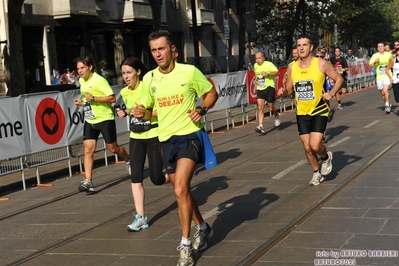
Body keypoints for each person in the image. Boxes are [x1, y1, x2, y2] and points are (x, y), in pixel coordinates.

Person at [133, 30, 218, 266]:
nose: (158, 54)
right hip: (165, 139)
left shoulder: (189, 72)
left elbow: (211, 93)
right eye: (154, 50)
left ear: (172, 50)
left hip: (189, 135)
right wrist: (143, 112)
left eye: (161, 48)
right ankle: (203, 226)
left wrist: (201, 109)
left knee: (180, 189)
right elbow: (150, 112)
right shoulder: (150, 78)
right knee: (181, 191)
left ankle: (185, 245)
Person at [278, 34, 344, 186]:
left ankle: (326, 157)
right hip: (301, 111)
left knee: (315, 145)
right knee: (307, 147)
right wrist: (284, 92)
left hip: (319, 109)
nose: (301, 48)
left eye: (304, 45)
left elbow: (339, 79)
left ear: (311, 47)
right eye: (298, 45)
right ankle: (316, 172)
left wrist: (332, 93)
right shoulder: (291, 67)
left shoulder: (321, 64)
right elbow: (289, 90)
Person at [116, 57, 170, 231]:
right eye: (123, 73)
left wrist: (145, 114)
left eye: (129, 72)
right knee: (136, 176)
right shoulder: (124, 92)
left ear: (138, 72)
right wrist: (125, 112)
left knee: (157, 178)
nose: (126, 76)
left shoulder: (148, 87)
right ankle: (141, 217)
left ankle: (177, 179)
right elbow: (132, 110)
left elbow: (159, 110)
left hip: (153, 134)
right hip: (136, 136)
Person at [73, 55, 130, 193]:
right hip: (90, 119)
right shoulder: (81, 80)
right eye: (78, 68)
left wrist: (94, 98)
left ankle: (129, 160)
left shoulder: (99, 80)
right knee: (87, 150)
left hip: (105, 119)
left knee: (113, 148)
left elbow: (112, 98)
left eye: (82, 68)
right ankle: (88, 181)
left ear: (90, 67)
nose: (79, 71)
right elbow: (86, 98)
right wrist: (82, 101)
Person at [253, 51, 280, 134]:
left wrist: (268, 74)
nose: (258, 60)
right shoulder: (255, 65)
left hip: (269, 87)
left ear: (263, 58)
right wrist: (256, 80)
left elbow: (277, 72)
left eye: (259, 58)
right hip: (260, 88)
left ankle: (276, 114)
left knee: (270, 108)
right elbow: (256, 75)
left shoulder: (268, 64)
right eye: (256, 58)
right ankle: (261, 125)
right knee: (260, 107)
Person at [369, 41, 393, 113]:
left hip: (387, 75)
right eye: (379, 46)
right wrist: (375, 62)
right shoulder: (375, 55)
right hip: (379, 76)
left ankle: (387, 105)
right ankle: (388, 103)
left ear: (384, 47)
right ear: (377, 48)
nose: (380, 48)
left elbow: (393, 62)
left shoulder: (389, 54)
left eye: (382, 46)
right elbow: (370, 65)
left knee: (385, 90)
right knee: (382, 93)